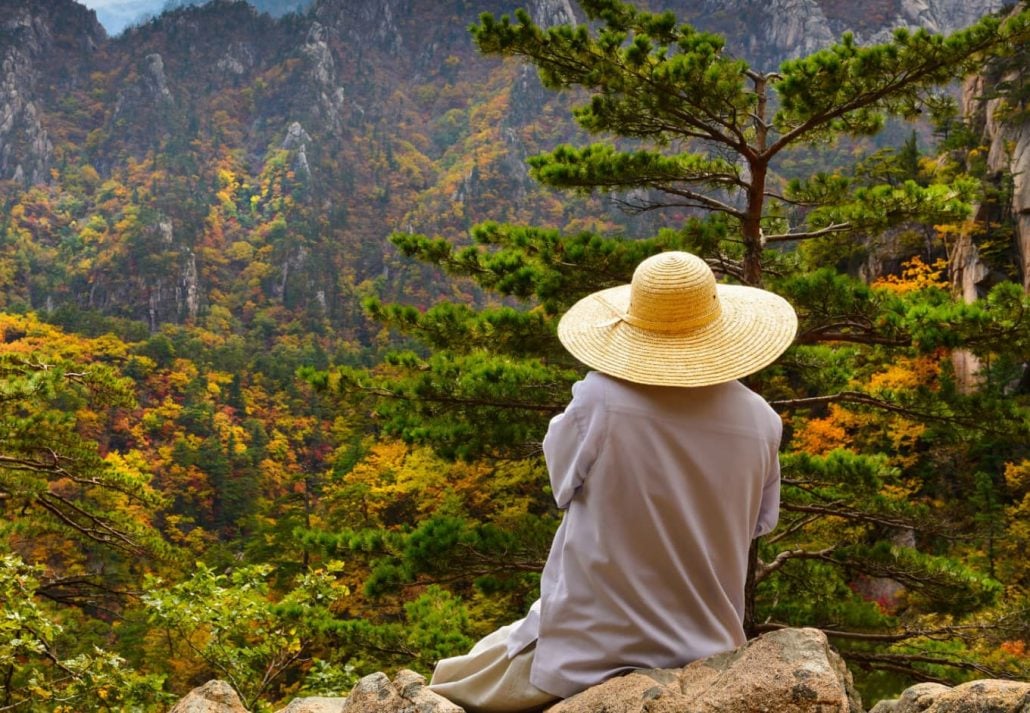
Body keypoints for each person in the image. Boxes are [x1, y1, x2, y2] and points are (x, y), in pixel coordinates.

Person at [428, 251, 798, 712]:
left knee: (451, 683)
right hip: (709, 646)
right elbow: (760, 522)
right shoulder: (762, 421)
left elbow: (562, 481)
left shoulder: (600, 399)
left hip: (592, 646)